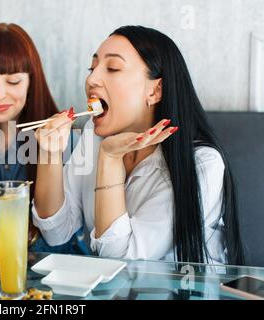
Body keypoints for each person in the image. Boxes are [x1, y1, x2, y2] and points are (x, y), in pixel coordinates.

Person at [32, 26, 244, 264]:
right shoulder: (93, 133)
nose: (91, 79)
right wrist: (49, 154)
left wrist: (109, 159)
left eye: (112, 68)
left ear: (155, 90)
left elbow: (122, 259)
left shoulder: (203, 164)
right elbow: (55, 232)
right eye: (92, 68)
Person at [0, 23, 88, 254]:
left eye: (13, 81)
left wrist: (27, 239)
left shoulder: (65, 141)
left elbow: (72, 240)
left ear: (31, 82)